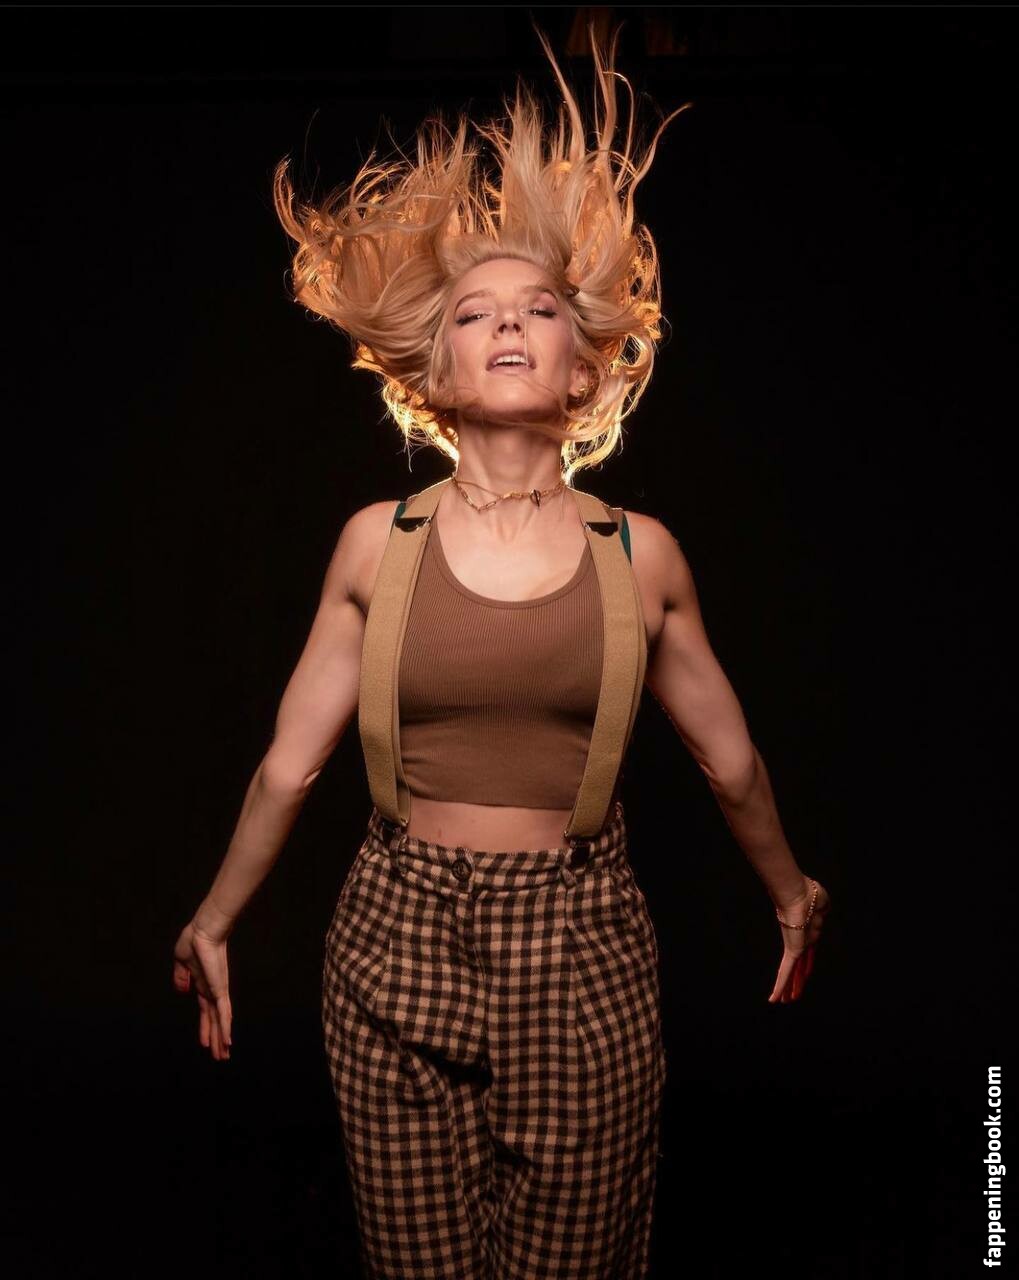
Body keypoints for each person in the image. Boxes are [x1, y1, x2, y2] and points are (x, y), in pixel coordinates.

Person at [172, 24, 831, 1280]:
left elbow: (730, 762)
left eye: (539, 311)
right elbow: (288, 766)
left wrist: (789, 889)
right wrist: (213, 918)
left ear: (586, 368)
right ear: (432, 370)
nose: (509, 326)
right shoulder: (376, 543)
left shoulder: (642, 556)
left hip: (579, 947)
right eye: (476, 314)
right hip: (394, 934)